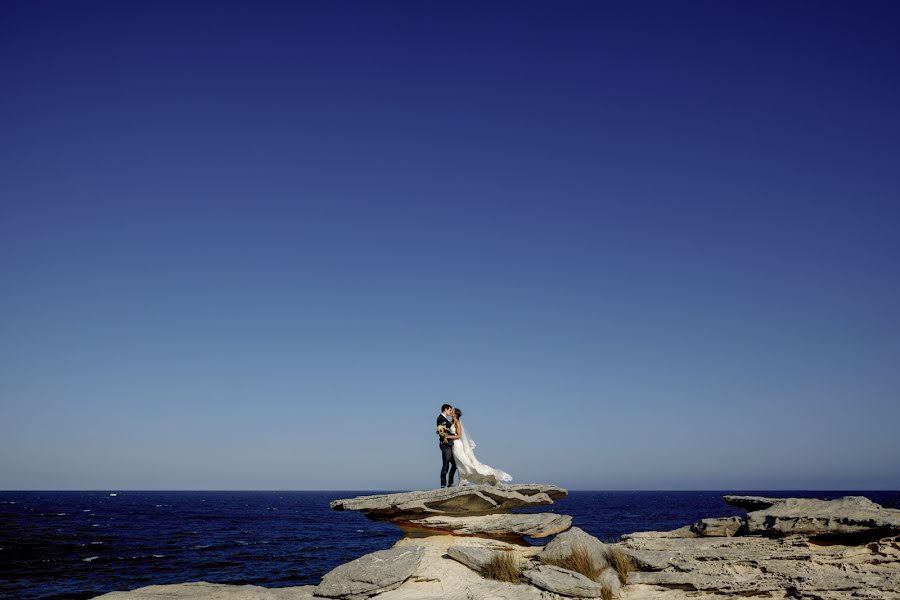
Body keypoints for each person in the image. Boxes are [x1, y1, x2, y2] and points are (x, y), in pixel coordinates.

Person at [444, 408, 512, 485]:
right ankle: (462, 479)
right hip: (453, 445)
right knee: (459, 462)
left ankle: (488, 476)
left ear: (456, 414)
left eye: (452, 411)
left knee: (464, 461)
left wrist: (448, 436)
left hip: (457, 445)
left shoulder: (457, 422)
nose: (451, 412)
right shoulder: (451, 422)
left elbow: (459, 436)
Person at [437, 404, 457, 488]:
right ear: (445, 409)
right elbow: (440, 431)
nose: (450, 412)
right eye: (449, 410)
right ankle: (443, 484)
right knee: (446, 464)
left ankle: (450, 483)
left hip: (449, 444)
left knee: (454, 464)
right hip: (445, 445)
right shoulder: (440, 418)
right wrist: (448, 435)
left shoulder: (445, 419)